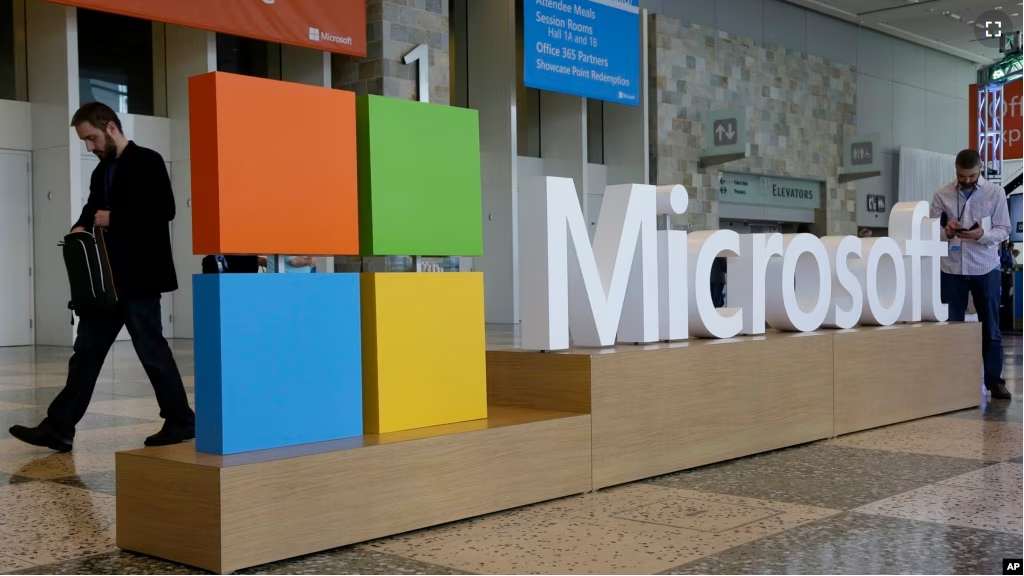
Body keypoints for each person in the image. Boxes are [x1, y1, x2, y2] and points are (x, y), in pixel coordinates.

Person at [9, 102, 195, 452]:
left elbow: (164, 210)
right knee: (87, 352)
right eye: (84, 141)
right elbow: (93, 209)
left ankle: (181, 421)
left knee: (151, 350)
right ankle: (59, 427)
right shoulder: (101, 171)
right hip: (105, 279)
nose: (89, 147)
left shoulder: (147, 160)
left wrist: (116, 218)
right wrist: (80, 225)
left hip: (139, 277)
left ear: (111, 127)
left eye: (92, 138)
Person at [930, 149, 1012, 400]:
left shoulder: (994, 193)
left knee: (991, 328)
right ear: (955, 170)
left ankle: (994, 382)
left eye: (971, 176)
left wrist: (982, 235)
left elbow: (1004, 230)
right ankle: (952, 380)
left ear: (980, 170)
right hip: (951, 268)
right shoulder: (942, 194)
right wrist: (947, 231)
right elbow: (929, 230)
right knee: (950, 327)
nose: (966, 180)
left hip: (984, 267)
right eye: (961, 176)